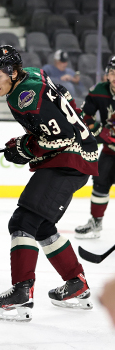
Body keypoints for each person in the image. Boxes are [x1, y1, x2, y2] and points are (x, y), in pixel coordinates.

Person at [0, 45, 98, 322]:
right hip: (77, 157)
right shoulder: (30, 76)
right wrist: (27, 143)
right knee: (42, 225)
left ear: (12, 71)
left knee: (23, 222)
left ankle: (22, 293)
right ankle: (76, 284)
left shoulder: (24, 94)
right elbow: (65, 100)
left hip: (70, 159)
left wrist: (24, 148)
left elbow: (61, 137)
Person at [74, 57, 115, 239]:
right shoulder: (99, 91)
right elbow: (84, 115)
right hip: (109, 150)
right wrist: (101, 132)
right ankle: (96, 222)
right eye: (113, 73)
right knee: (100, 184)